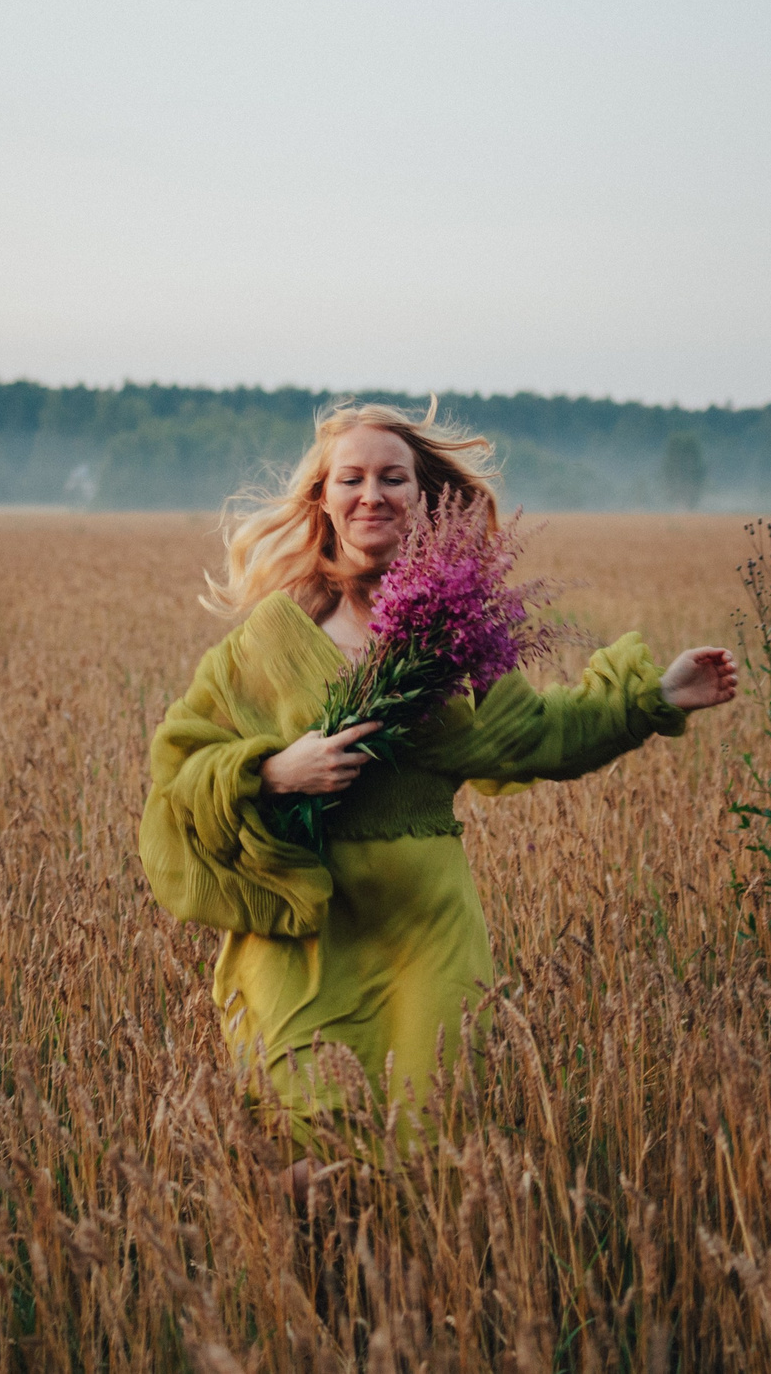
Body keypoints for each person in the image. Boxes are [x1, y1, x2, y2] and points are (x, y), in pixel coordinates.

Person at [137, 402, 738, 1149]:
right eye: (350, 478)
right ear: (323, 498)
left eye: (394, 477)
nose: (372, 493)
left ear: (425, 499)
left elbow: (537, 735)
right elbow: (180, 771)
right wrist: (273, 771)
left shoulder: (456, 635)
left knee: (425, 1149)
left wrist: (653, 698)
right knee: (309, 1152)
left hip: (431, 936)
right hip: (307, 938)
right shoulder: (268, 642)